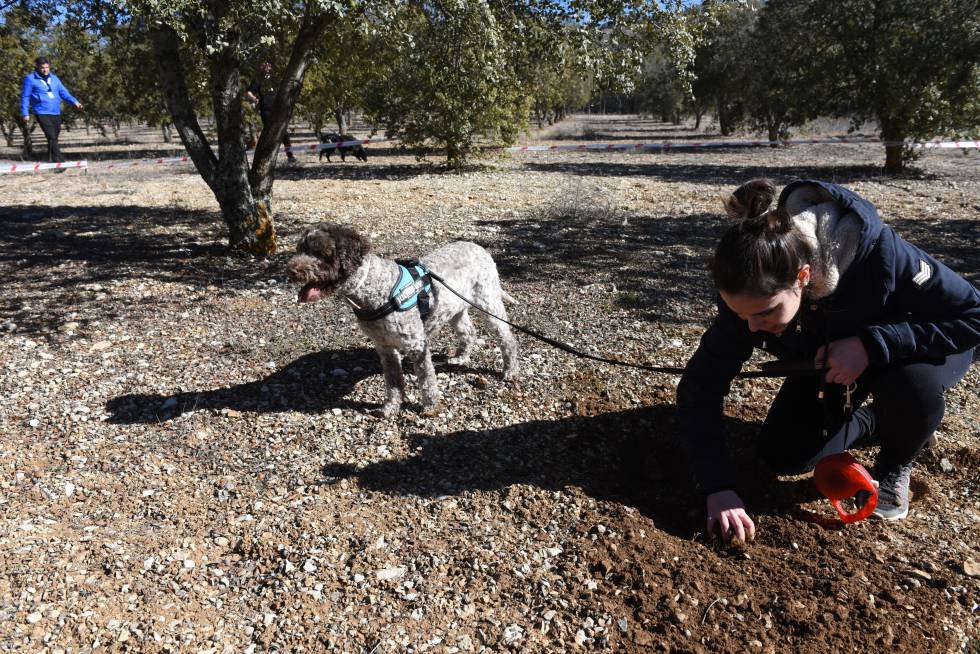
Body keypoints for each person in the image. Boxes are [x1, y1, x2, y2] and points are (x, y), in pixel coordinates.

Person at [677, 179, 979, 542]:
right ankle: (883, 422)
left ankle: (897, 460)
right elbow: (700, 386)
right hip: (837, 359)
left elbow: (973, 315)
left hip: (922, 348)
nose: (753, 327)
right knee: (783, 456)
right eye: (741, 315)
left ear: (803, 277)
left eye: (765, 313)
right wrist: (717, 486)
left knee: (911, 387)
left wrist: (872, 344)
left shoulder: (880, 255)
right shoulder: (748, 295)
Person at [20, 56, 83, 163]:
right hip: (41, 111)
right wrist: (25, 112)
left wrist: (75, 101)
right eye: (42, 68)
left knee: (53, 138)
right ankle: (61, 161)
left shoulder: (55, 79)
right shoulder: (30, 79)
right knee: (51, 135)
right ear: (37, 67)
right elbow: (25, 97)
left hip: (55, 111)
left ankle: (51, 160)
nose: (45, 70)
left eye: (47, 67)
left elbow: (64, 93)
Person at [245, 62, 297, 163]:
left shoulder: (276, 79)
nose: (267, 67)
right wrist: (254, 99)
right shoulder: (258, 80)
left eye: (268, 65)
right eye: (264, 66)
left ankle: (290, 156)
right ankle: (266, 158)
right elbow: (248, 92)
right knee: (268, 134)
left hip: (278, 109)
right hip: (266, 110)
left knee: (284, 133)